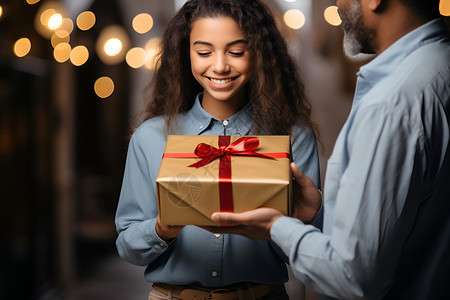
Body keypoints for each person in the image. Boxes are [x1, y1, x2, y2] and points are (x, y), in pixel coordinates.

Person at [207, 0, 450, 299]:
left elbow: (352, 277)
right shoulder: (439, 67)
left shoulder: (391, 104)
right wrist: (320, 214)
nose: (337, 5)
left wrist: (275, 226)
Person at [115, 0, 321, 299]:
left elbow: (311, 258)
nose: (221, 65)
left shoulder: (293, 136)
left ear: (259, 53)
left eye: (237, 51)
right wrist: (162, 230)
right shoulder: (150, 137)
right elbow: (127, 247)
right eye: (203, 52)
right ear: (186, 54)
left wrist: (305, 221)